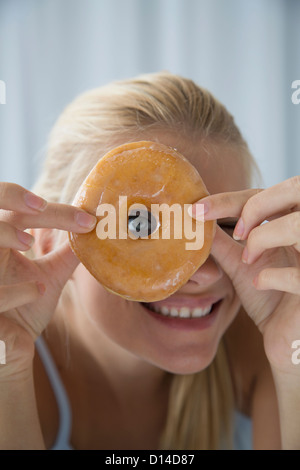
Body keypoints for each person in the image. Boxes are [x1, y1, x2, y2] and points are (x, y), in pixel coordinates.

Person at [0, 71, 299, 450]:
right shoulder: (13, 356)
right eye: (140, 226)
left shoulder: (266, 344)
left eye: (226, 227)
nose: (204, 274)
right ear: (48, 240)